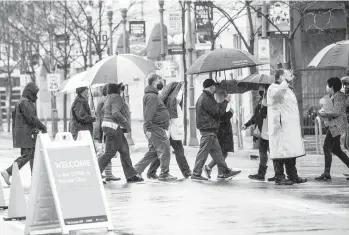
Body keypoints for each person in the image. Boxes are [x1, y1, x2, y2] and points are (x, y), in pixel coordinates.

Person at [191, 78, 241, 181]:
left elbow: (215, 110)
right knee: (203, 153)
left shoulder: (205, 97)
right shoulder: (207, 98)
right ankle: (196, 173)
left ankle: (225, 171)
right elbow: (217, 112)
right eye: (214, 86)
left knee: (218, 153)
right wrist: (226, 102)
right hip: (208, 130)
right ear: (211, 87)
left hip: (210, 130)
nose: (215, 88)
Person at [1, 82, 47, 186]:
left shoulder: (24, 101)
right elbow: (31, 119)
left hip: (26, 134)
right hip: (27, 135)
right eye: (35, 93)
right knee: (28, 155)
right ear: (30, 92)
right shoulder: (25, 102)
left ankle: (35, 180)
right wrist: (42, 126)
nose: (37, 96)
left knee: (32, 156)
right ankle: (8, 172)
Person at [267, 69, 307, 185]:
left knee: (290, 150)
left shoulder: (287, 88)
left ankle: (292, 175)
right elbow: (276, 95)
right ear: (280, 77)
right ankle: (279, 177)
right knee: (280, 151)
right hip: (280, 126)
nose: (289, 77)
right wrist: (286, 82)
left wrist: (286, 83)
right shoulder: (273, 88)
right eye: (286, 75)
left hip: (289, 126)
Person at [134, 73, 177, 181]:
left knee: (153, 153)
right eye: (159, 80)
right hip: (155, 128)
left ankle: (136, 170)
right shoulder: (152, 96)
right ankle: (164, 174)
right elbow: (149, 113)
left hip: (155, 127)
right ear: (153, 82)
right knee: (165, 150)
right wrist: (147, 129)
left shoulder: (152, 95)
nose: (161, 82)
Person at [98, 83, 143, 183]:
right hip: (113, 127)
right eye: (120, 89)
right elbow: (115, 112)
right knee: (109, 153)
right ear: (117, 89)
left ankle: (131, 175)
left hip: (111, 127)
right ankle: (96, 174)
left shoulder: (108, 97)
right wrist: (126, 123)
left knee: (125, 151)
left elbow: (102, 112)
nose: (121, 90)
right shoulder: (117, 97)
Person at [146, 82, 192, 179]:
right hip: (172, 130)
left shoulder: (167, 101)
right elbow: (177, 99)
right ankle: (186, 172)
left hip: (170, 130)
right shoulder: (173, 101)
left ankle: (151, 172)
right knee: (176, 151)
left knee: (165, 151)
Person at [315, 77, 349, 181]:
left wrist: (323, 113)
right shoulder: (335, 96)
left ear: (331, 87)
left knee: (326, 147)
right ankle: (326, 173)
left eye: (327, 85)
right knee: (336, 149)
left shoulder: (339, 96)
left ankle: (326, 173)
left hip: (337, 126)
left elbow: (336, 112)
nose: (326, 87)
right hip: (335, 125)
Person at [244, 85, 275, 181]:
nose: (260, 91)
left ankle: (279, 173)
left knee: (273, 153)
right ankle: (261, 174)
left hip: (270, 131)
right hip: (262, 130)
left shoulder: (272, 101)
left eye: (262, 89)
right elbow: (256, 116)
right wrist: (247, 124)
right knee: (262, 152)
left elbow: (266, 114)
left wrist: (263, 107)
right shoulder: (261, 101)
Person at [203, 89, 235, 179]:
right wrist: (231, 113)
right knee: (222, 153)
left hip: (223, 130)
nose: (227, 95)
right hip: (222, 131)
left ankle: (219, 173)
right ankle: (210, 168)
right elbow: (222, 117)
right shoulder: (220, 104)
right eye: (225, 94)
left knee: (221, 153)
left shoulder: (217, 103)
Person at [93, 84, 120, 182]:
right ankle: (98, 173)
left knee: (107, 152)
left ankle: (108, 174)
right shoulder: (106, 100)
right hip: (103, 130)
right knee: (104, 153)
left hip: (100, 129)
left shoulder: (103, 99)